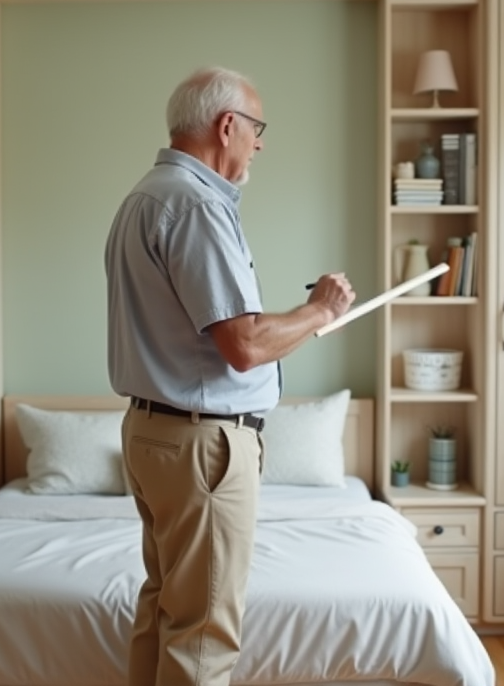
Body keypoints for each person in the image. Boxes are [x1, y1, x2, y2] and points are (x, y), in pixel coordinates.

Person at [104, 65, 356, 686]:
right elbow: (243, 345)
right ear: (227, 126)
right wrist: (319, 310)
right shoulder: (195, 205)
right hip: (203, 445)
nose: (260, 143)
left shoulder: (145, 195)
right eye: (257, 129)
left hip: (152, 433)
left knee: (165, 608)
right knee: (204, 635)